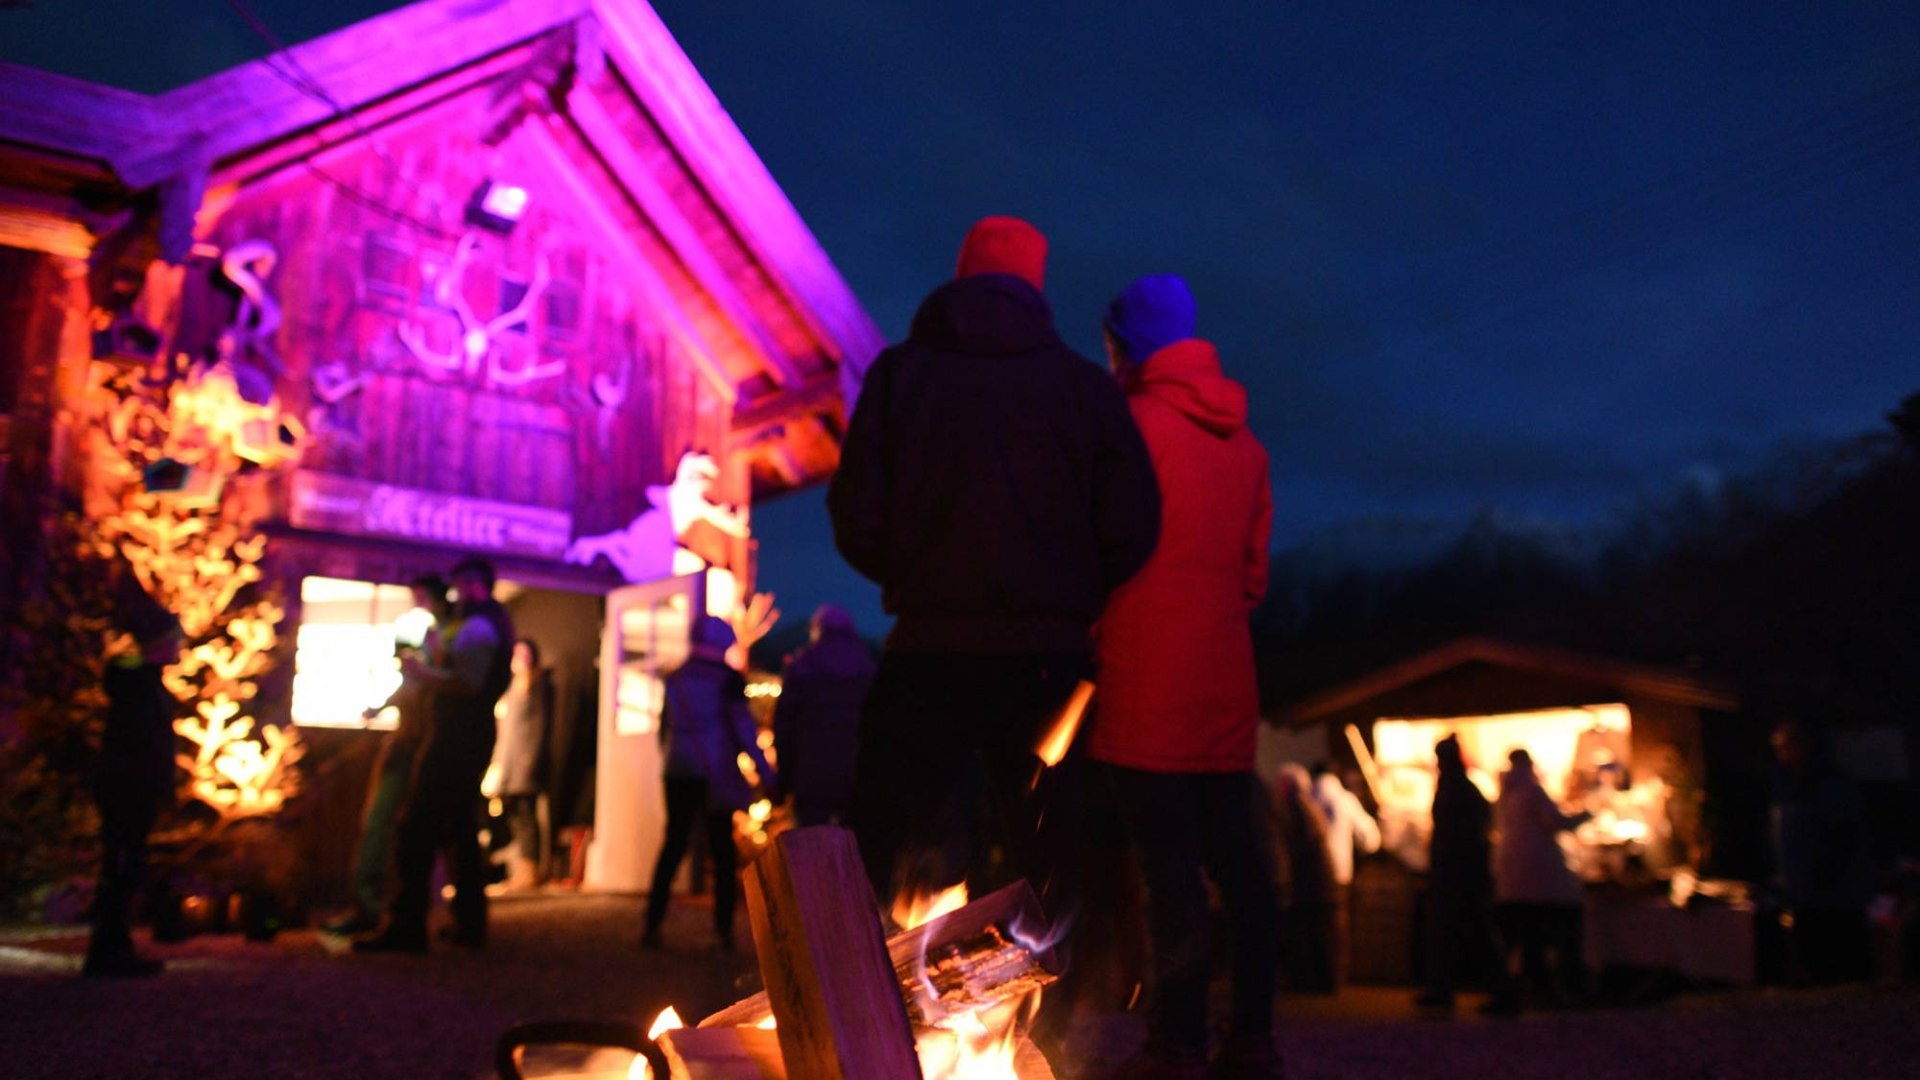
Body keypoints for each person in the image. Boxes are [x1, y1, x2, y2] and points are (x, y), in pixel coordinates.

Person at [828, 216, 1160, 916]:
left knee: (880, 844)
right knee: (1049, 854)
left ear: (962, 276)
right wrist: (1076, 591)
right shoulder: (1083, 389)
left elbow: (854, 510)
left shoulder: (899, 377)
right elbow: (1135, 521)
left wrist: (914, 574)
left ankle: (853, 1012)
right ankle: (1052, 1017)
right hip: (1048, 660)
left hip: (928, 646)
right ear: (1035, 287)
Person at [1087, 274, 1280, 1078]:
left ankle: (1176, 1043)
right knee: (1240, 864)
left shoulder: (1128, 428)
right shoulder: (1248, 445)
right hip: (1224, 683)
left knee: (1168, 873)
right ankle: (1254, 1039)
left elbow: (1094, 551)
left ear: (1124, 345)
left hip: (1142, 681)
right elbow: (1252, 578)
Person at [358, 556, 514, 953]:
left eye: (462, 584)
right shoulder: (481, 623)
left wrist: (426, 674)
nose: (457, 593)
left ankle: (408, 925)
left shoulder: (479, 626)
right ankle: (467, 924)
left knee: (417, 825)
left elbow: (469, 684)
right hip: (462, 735)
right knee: (459, 829)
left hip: (455, 738)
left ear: (476, 584)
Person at [642, 615, 774, 951]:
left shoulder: (676, 678)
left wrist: (668, 763)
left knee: (673, 844)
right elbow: (742, 730)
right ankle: (724, 930)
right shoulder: (727, 680)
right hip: (714, 772)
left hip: (678, 771)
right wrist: (765, 772)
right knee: (722, 850)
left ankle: (652, 922)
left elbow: (664, 730)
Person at [326, 575, 449, 935]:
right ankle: (383, 909)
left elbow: (419, 686)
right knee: (390, 826)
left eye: (421, 596)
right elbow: (411, 687)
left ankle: (380, 910)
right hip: (413, 743)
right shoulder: (434, 637)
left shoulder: (438, 635)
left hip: (416, 745)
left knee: (388, 825)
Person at [84, 563, 182, 977]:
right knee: (123, 862)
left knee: (123, 862)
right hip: (130, 786)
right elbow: (143, 743)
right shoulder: (140, 687)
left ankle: (113, 944)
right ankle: (110, 948)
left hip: (129, 784)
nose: (181, 645)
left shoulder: (142, 683)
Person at [1770, 717, 1875, 983]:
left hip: (1834, 897)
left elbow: (1845, 838)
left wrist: (1821, 876)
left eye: (1789, 745)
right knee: (1816, 965)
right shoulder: (1789, 787)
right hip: (1805, 895)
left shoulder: (1830, 787)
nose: (1784, 753)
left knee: (1842, 966)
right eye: (1779, 747)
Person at [1416, 735, 1515, 1014]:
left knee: (1468, 934)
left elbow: (1453, 837)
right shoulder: (1463, 788)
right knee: (1460, 934)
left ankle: (1497, 992)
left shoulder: (1455, 789)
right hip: (1463, 874)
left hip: (1459, 875)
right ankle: (1447, 989)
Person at [1493, 747, 1591, 1007]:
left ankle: (1529, 988)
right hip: (1540, 881)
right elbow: (1556, 823)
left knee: (1527, 937)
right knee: (1544, 933)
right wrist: (1586, 814)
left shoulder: (1508, 794)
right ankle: (1551, 988)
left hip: (1515, 882)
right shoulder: (1531, 792)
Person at [771, 604, 874, 827]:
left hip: (809, 776)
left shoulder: (803, 668)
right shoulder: (868, 671)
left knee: (811, 844)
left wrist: (783, 777)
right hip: (853, 777)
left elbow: (784, 726)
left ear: (817, 629)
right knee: (850, 849)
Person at [488, 637, 552, 892]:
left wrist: (529, 762)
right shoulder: (510, 688)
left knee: (525, 817)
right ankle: (521, 869)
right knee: (514, 817)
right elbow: (507, 733)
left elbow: (537, 729)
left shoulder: (536, 687)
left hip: (523, 766)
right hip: (508, 764)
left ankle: (529, 871)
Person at [1268, 763, 1338, 997]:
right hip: (1317, 882)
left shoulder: (1298, 810)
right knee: (1315, 932)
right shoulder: (1308, 808)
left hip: (1310, 883)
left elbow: (1296, 849)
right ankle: (1319, 980)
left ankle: (1312, 980)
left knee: (1309, 931)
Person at [1311, 761, 1381, 985]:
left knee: (1311, 925)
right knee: (1336, 925)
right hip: (1339, 872)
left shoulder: (1306, 796)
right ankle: (1336, 977)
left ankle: (1313, 977)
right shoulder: (1344, 799)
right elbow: (1370, 838)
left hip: (1308, 875)